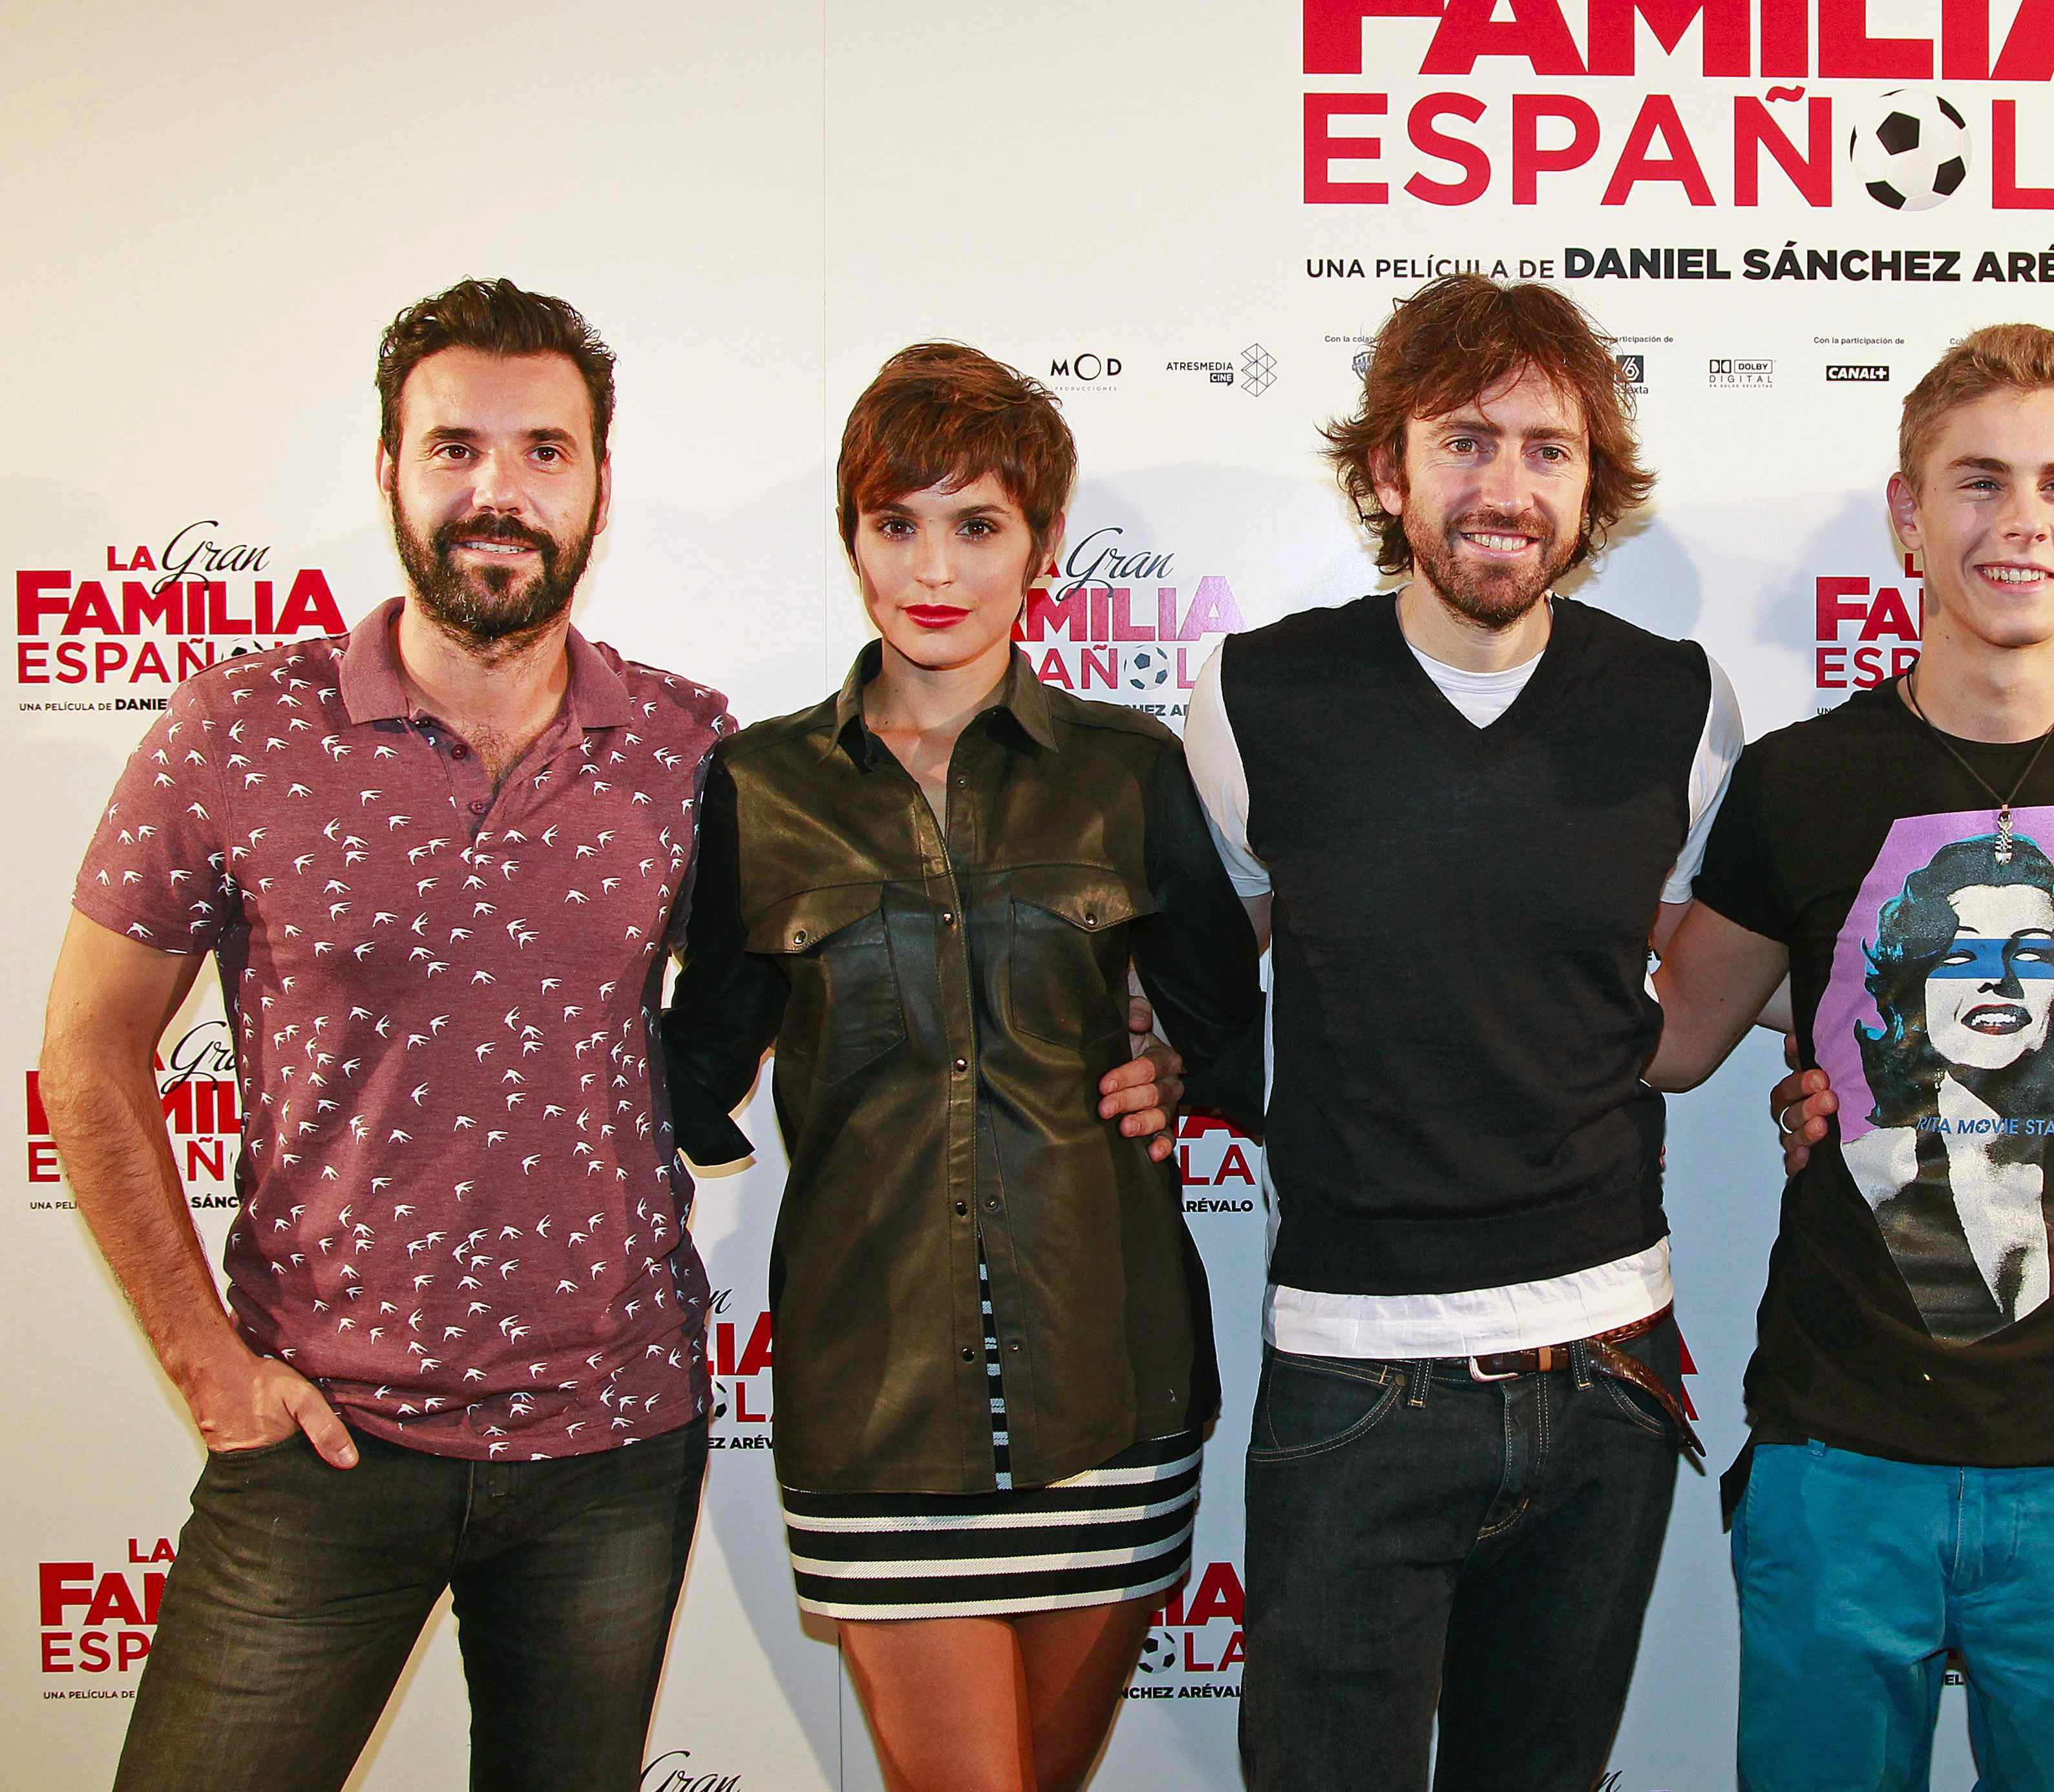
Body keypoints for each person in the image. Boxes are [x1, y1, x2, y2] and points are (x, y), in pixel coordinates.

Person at [39, 280, 727, 1791]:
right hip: (320, 1439)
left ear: (600, 482)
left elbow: (835, 986)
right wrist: (208, 1367)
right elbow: (87, 1050)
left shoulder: (689, 748)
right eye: (456, 447)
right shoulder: (239, 729)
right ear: (388, 470)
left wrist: (1115, 1028)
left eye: (544, 450)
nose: (500, 490)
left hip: (613, 1447)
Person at [657, 343, 1263, 1792]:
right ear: (853, 539)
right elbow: (690, 1064)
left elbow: (1231, 1031)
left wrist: (1176, 1067)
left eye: (978, 524)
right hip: (875, 1400)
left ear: (1042, 547)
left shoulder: (1127, 770)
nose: (934, 568)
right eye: (897, 522)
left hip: (1106, 1386)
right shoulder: (759, 786)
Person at [1659, 323, 2054, 1792]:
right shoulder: (1797, 783)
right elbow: (1673, 1039)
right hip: (1836, 1462)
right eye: (1977, 481)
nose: (2019, 520)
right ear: (1909, 518)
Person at [1185, 273, 1736, 1792]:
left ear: (1593, 483)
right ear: (1390, 469)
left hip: (1609, 1371)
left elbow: (1705, 988)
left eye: (1550, 449)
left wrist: (1825, 1074)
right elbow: (1200, 985)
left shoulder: (1677, 703)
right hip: (1352, 1375)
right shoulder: (1257, 695)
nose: (1508, 487)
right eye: (1466, 441)